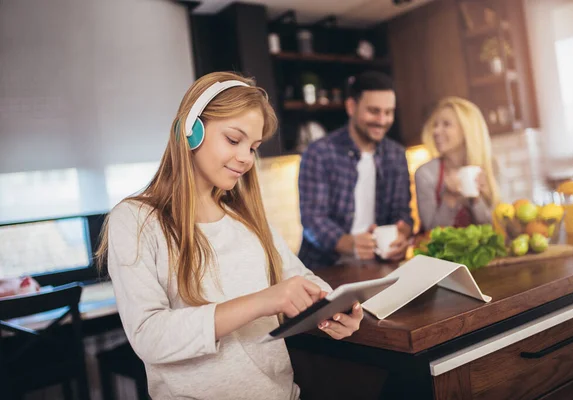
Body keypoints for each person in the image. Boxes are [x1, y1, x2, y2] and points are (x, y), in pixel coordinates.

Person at [96, 71, 363, 400]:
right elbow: (150, 336)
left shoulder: (246, 217)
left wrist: (333, 308)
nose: (246, 159)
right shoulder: (135, 221)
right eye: (234, 140)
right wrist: (264, 301)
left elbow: (298, 278)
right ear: (190, 131)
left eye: (253, 147)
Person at [298, 71, 413, 268]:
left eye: (388, 112)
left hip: (378, 265)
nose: (382, 120)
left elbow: (401, 212)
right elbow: (313, 220)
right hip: (324, 269)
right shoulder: (319, 153)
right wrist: (348, 244)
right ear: (351, 107)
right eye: (374, 111)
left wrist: (402, 235)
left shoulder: (396, 155)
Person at [415, 96, 501, 232]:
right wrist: (450, 198)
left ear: (467, 129)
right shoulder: (426, 173)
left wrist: (477, 200)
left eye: (446, 124)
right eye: (435, 125)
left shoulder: (490, 166)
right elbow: (431, 231)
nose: (436, 131)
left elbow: (496, 228)